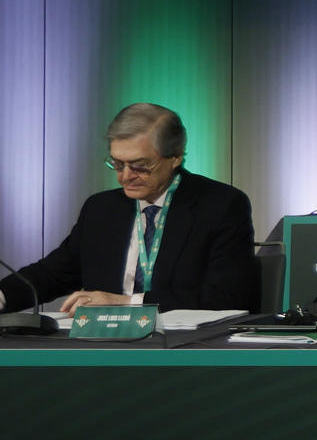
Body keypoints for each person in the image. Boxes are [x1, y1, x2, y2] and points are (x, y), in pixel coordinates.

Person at [0, 103, 258, 314]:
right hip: (102, 345)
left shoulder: (220, 205)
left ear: (175, 156)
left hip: (183, 347)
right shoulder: (101, 208)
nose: (125, 176)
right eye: (117, 164)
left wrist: (126, 302)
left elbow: (225, 296)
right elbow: (52, 274)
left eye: (140, 165)